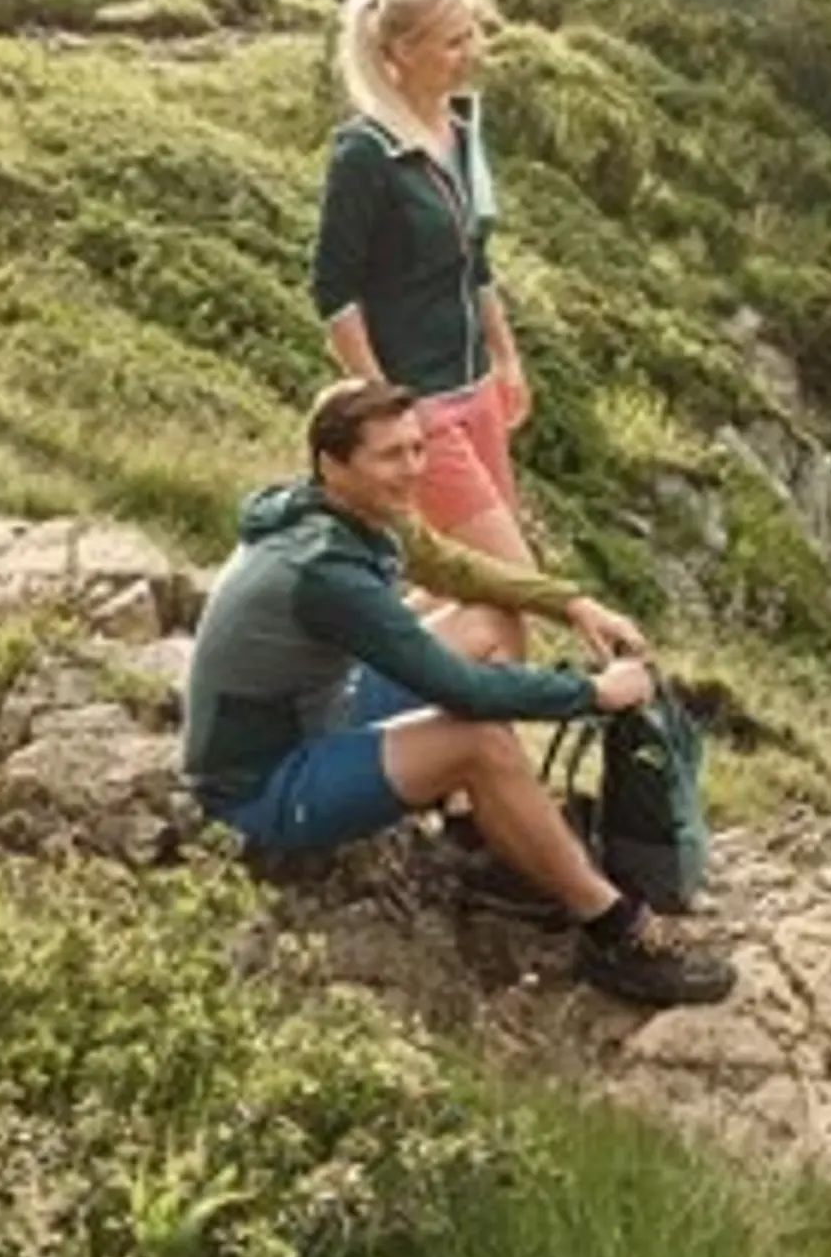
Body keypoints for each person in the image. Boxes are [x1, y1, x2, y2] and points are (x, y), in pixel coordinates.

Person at [183, 378, 734, 1009]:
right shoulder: (323, 570)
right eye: (391, 455)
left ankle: (485, 831)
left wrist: (572, 603)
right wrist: (593, 692)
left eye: (418, 448)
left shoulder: (346, 511)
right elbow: (461, 690)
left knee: (489, 619)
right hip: (264, 784)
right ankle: (616, 934)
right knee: (479, 741)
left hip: (320, 711)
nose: (413, 469)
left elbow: (454, 567)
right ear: (332, 464)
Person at [312, 0, 541, 617]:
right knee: (510, 584)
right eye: (453, 41)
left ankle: (352, 660)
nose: (471, 54)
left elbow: (475, 262)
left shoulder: (461, 134)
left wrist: (506, 359)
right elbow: (333, 293)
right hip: (421, 407)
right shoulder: (365, 154)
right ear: (402, 51)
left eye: (472, 37)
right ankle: (364, 667)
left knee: (461, 584)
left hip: (478, 392)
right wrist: (385, 406)